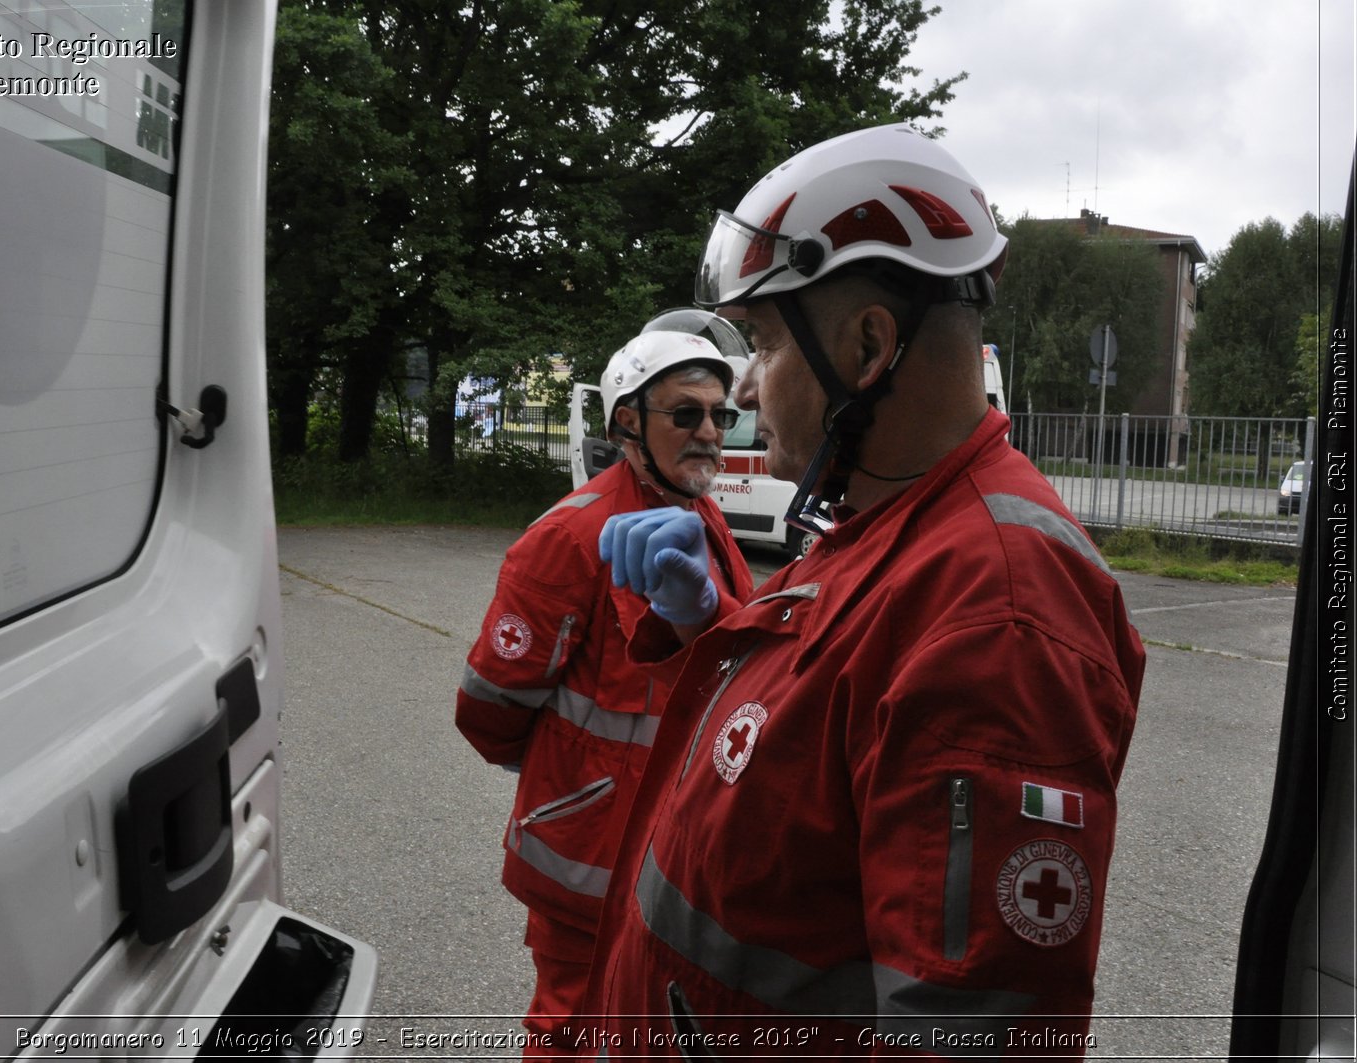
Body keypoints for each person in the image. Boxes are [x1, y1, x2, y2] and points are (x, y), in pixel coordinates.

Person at [588, 124, 1146, 1057]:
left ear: (869, 345)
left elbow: (967, 1031)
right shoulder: (889, 517)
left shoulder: (996, 612)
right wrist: (710, 633)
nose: (749, 393)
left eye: (763, 345)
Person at [455, 312, 755, 1056]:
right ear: (629, 421)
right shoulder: (568, 535)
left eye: (722, 414)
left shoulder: (702, 516)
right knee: (573, 1030)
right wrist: (576, 774)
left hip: (670, 847)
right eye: (686, 413)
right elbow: (490, 705)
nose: (711, 431)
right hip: (587, 854)